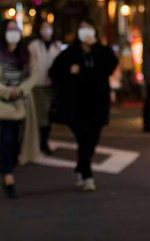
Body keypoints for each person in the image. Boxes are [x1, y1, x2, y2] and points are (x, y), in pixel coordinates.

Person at [49, 20, 119, 192]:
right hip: (76, 105)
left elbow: (111, 64)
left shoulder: (102, 51)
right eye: (82, 28)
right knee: (84, 138)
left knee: (92, 139)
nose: (85, 31)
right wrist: (69, 72)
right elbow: (54, 72)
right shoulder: (70, 53)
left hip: (98, 104)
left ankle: (81, 168)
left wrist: (95, 47)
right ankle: (87, 175)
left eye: (88, 27)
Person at [0, 20, 40, 198]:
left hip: (22, 103)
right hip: (2, 103)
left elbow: (34, 74)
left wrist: (21, 89)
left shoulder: (25, 53)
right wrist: (6, 91)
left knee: (17, 141)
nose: (13, 33)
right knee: (5, 140)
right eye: (10, 29)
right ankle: (8, 176)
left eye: (16, 29)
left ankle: (9, 166)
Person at [28, 18, 62, 154]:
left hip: (52, 84)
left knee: (49, 114)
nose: (47, 30)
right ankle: (41, 142)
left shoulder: (57, 45)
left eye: (49, 27)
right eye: (44, 27)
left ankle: (44, 141)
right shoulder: (33, 45)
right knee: (41, 115)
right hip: (38, 84)